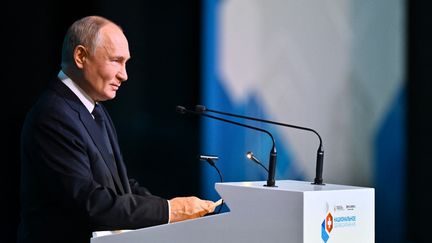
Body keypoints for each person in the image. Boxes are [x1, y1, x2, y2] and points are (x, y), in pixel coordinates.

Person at [17, 15, 217, 243]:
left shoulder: (93, 107)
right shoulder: (53, 115)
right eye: (116, 60)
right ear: (81, 56)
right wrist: (170, 210)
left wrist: (172, 211)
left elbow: (120, 185)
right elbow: (91, 204)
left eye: (126, 62)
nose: (124, 75)